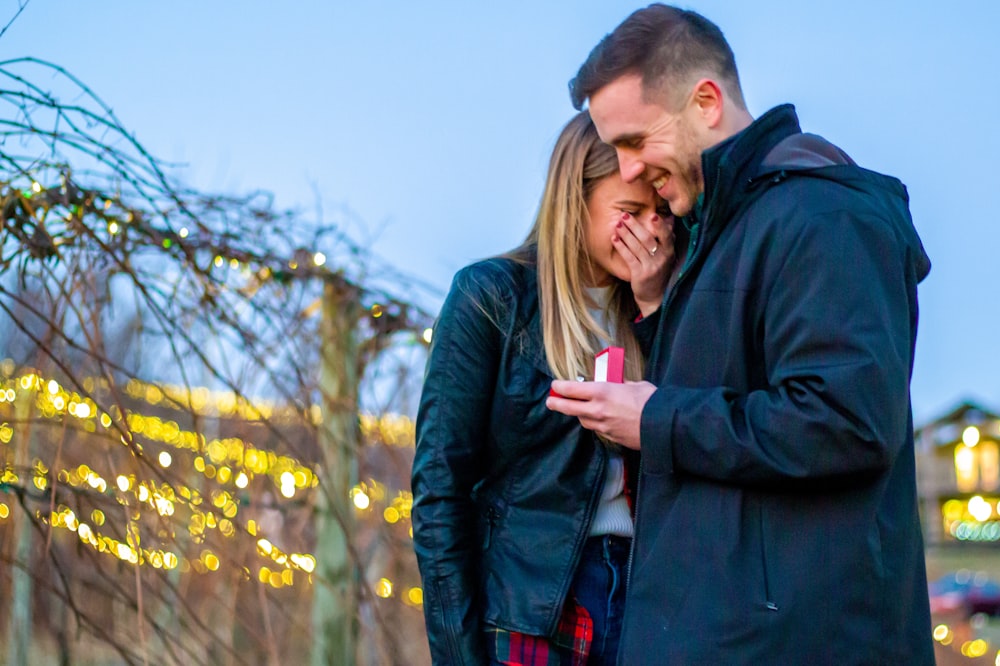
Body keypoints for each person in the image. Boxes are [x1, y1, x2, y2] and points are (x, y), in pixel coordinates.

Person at [546, 5, 935, 664]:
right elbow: (732, 388)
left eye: (636, 141)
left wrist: (657, 418)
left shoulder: (825, 217)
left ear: (705, 101)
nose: (628, 169)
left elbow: (847, 421)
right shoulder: (720, 230)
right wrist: (656, 311)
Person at [411, 110, 675, 665]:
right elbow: (439, 489)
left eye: (659, 213)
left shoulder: (668, 308)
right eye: (628, 212)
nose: (649, 230)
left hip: (650, 599)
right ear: (573, 202)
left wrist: (655, 306)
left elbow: (691, 430)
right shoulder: (492, 297)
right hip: (529, 604)